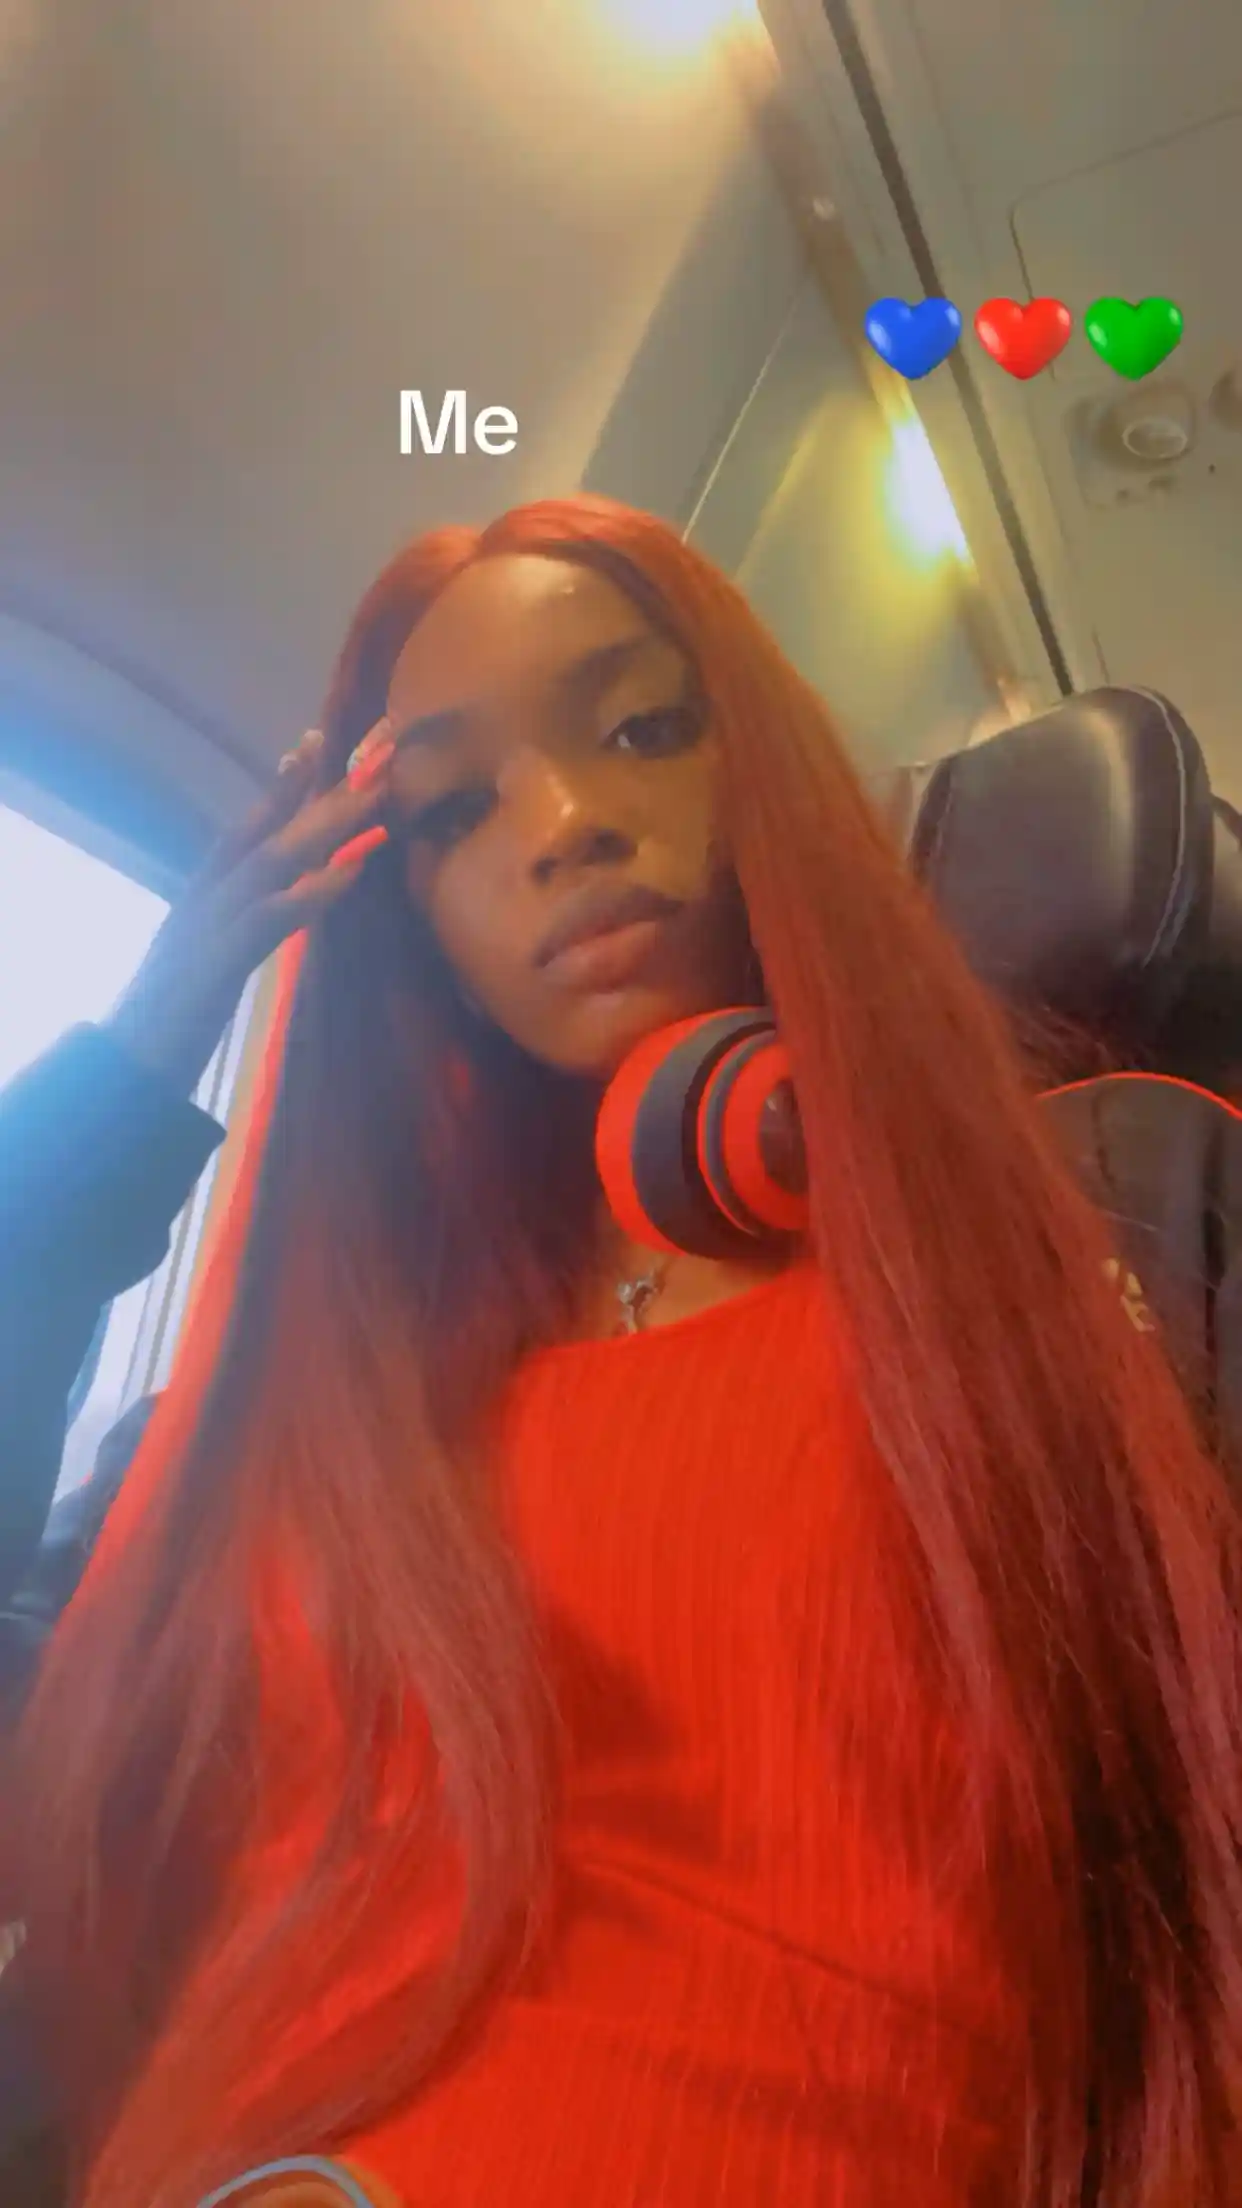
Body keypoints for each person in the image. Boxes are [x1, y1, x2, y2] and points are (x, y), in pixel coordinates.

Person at [0, 494, 1240, 2208]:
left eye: (644, 729)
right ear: (402, 923)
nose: (567, 823)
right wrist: (134, 1071)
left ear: (765, 781)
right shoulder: (334, 1397)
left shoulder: (1067, 1273)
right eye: (452, 809)